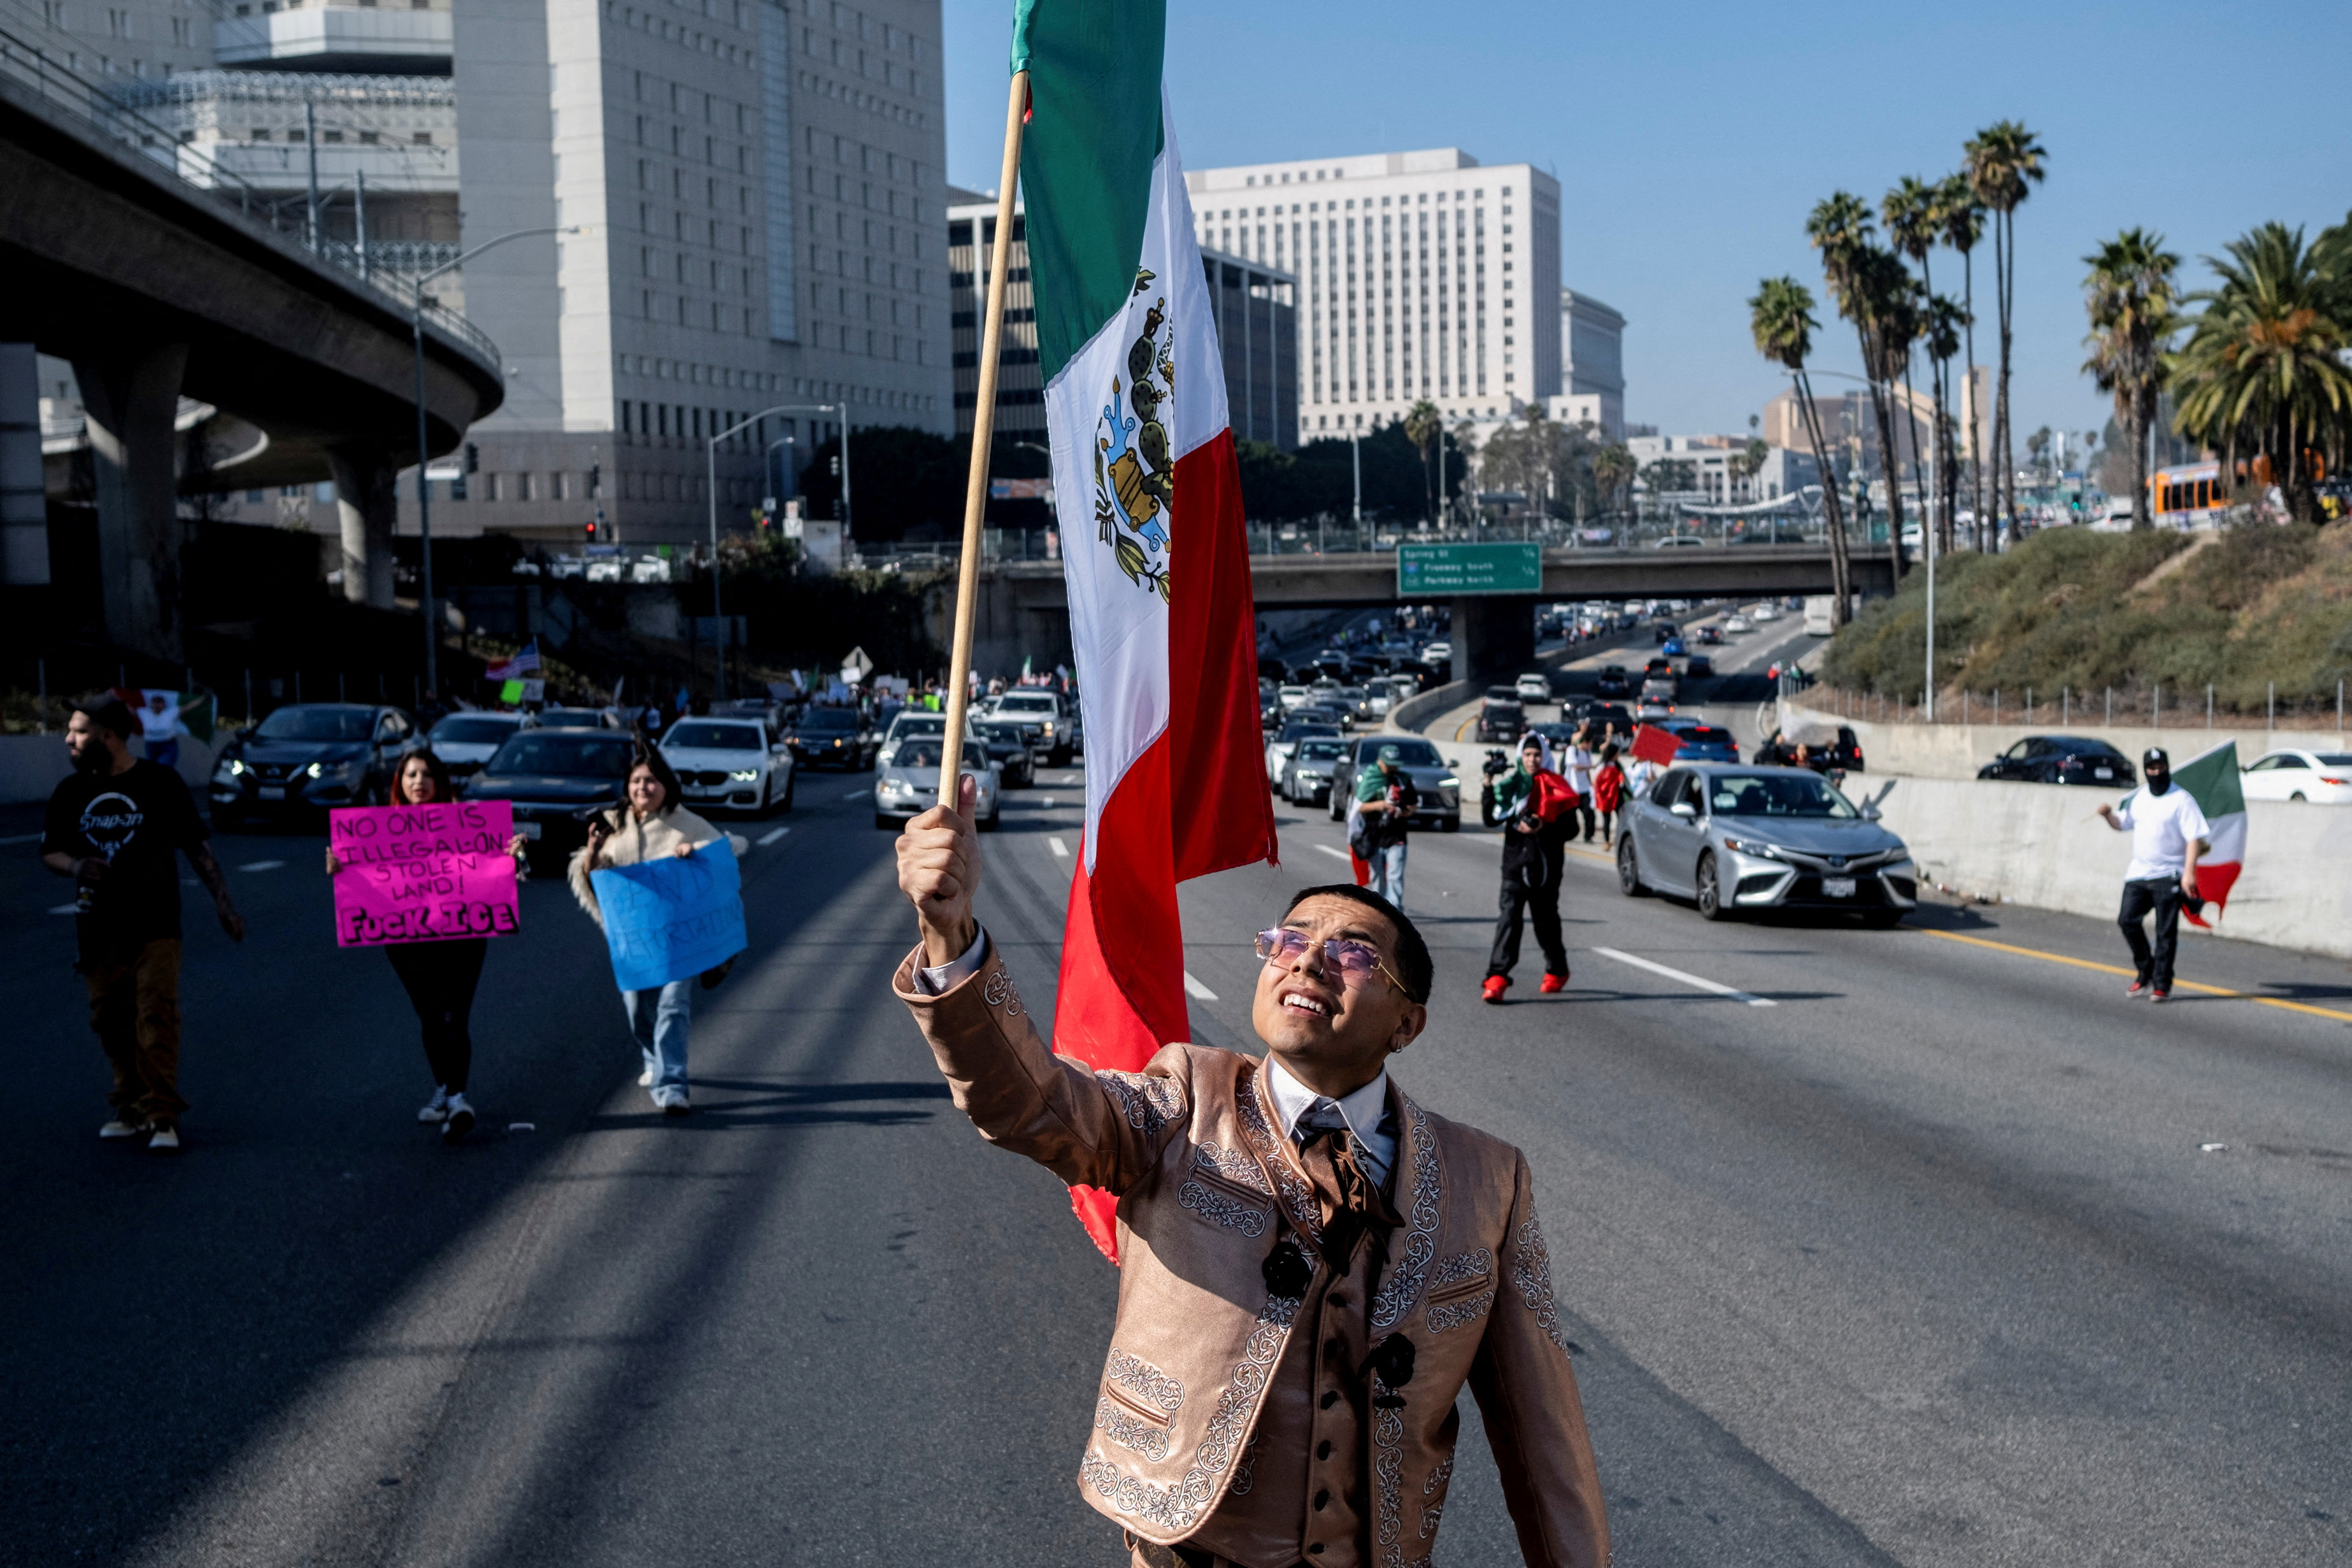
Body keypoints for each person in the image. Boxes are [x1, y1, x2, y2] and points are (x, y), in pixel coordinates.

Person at [892, 787, 1609, 1568]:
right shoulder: (1182, 1098)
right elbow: (1028, 1103)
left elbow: (1545, 1442)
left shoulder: (1488, 1180)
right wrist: (949, 934)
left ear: (1407, 1023)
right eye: (1289, 939)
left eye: (1354, 952)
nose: (1309, 958)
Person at [40, 696, 246, 1153]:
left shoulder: (159, 783)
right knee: (109, 1019)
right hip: (98, 928)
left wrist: (224, 906)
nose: (68, 740)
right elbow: (51, 851)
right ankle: (130, 1101)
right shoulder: (71, 792)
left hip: (155, 924)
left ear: (108, 736)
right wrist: (75, 868)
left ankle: (161, 1113)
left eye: (78, 731)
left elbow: (197, 850)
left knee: (156, 1015)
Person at [324, 747, 529, 1142]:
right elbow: (362, 879)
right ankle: (445, 1089)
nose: (419, 782)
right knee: (431, 1016)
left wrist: (515, 855)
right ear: (400, 783)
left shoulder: (468, 821)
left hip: (462, 936)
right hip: (407, 939)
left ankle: (456, 1099)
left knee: (455, 1015)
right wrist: (339, 868)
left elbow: (502, 868)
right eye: (411, 775)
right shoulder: (377, 829)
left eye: (426, 775)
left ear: (439, 782)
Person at [568, 741, 748, 1113]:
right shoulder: (612, 824)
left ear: (666, 785)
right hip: (634, 943)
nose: (642, 788)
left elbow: (730, 849)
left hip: (677, 942)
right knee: (639, 1011)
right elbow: (593, 881)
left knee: (672, 1006)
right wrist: (593, 853)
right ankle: (654, 1059)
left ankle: (672, 1085)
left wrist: (693, 851)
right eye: (636, 781)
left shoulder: (686, 822)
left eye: (651, 781)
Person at [2095, 747, 2208, 1003]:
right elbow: (2123, 824)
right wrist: (2107, 816)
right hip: (2139, 872)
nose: (2156, 772)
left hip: (2169, 874)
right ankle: (2146, 969)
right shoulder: (2140, 798)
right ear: (2146, 770)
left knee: (2165, 933)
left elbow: (2194, 838)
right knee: (2127, 921)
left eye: (2161, 767)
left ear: (2167, 767)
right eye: (2151, 768)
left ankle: (2162, 984)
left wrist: (2188, 874)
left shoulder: (2181, 799)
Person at [1481, 736, 1574, 1002]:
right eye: (1528, 754)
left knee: (1546, 923)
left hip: (1545, 868)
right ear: (1521, 756)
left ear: (1543, 756)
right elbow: (1490, 818)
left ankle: (1557, 969)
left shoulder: (1556, 785)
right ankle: (1497, 977)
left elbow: (1571, 828)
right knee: (1509, 919)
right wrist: (1488, 783)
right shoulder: (1511, 785)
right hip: (1514, 866)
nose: (1532, 760)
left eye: (1536, 754)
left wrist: (1543, 826)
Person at [1352, 742, 1413, 913]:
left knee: (1395, 876)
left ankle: (1395, 913)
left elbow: (1413, 805)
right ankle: (1377, 911)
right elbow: (1360, 807)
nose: (1391, 768)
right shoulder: (1370, 778)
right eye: (1388, 764)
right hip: (1375, 836)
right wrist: (1381, 805)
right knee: (1377, 875)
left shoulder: (1403, 780)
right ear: (1379, 761)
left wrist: (1404, 811)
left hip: (1397, 835)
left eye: (1394, 765)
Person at [1562, 724, 1598, 843]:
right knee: (1569, 815)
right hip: (1572, 789)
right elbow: (1576, 767)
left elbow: (1587, 771)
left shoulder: (1588, 753)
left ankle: (1588, 836)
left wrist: (1591, 783)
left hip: (1584, 789)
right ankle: (1568, 834)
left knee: (1589, 814)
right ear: (1585, 742)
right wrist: (1591, 767)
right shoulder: (1572, 751)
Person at [1590, 743, 1628, 846]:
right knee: (1607, 820)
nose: (1619, 754)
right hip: (1606, 797)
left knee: (1621, 819)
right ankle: (1606, 841)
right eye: (1617, 752)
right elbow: (1598, 783)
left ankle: (1617, 839)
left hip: (1617, 796)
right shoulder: (1602, 766)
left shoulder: (1617, 765)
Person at [137, 692, 183, 772]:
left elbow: (188, 707)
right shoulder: (144, 712)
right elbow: (128, 708)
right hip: (151, 746)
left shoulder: (171, 713)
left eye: (160, 702)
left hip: (168, 746)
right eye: (155, 702)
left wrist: (202, 699)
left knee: (163, 768)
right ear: (151, 704)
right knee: (153, 770)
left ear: (164, 704)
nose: (157, 705)